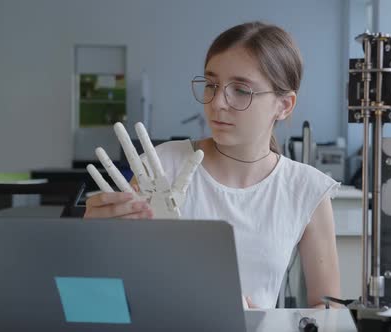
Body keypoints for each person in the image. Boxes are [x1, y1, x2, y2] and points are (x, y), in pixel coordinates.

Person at [85, 21, 341, 309]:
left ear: (284, 105)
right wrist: (94, 242)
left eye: (241, 90)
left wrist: (268, 324)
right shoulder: (161, 167)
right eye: (211, 85)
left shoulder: (306, 189)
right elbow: (103, 294)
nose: (218, 102)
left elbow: (329, 308)